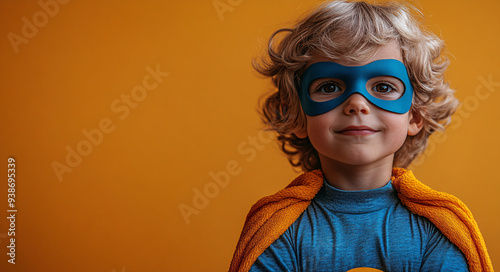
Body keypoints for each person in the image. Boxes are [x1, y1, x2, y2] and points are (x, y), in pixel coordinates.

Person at [229, 1, 493, 272]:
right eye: (329, 86)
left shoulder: (439, 230)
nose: (357, 103)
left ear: (414, 116)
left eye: (383, 86)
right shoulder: (278, 230)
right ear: (297, 115)